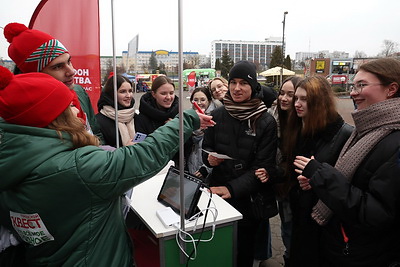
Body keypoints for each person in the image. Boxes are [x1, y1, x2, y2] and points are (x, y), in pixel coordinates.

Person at [0, 66, 214, 266]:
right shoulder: (77, 168)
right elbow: (144, 156)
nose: (77, 112)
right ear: (52, 117)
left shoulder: (12, 163)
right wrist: (186, 120)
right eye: (69, 107)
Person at [293, 58, 400, 267]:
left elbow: (376, 213)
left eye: (362, 85)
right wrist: (317, 181)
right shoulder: (368, 129)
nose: (352, 92)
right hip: (343, 246)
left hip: (364, 253)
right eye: (353, 85)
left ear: (391, 89)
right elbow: (352, 181)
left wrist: (321, 175)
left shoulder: (393, 141)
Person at [202, 61, 278, 267]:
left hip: (248, 200)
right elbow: (206, 147)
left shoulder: (265, 121)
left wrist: (231, 189)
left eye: (243, 83)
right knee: (218, 251)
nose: (237, 88)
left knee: (242, 253)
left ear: (253, 86)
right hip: (218, 196)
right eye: (233, 82)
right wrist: (208, 157)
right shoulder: (217, 115)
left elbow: (262, 166)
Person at [282, 75, 353, 267]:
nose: (297, 103)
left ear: (320, 101)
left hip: (326, 223)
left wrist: (317, 177)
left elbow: (348, 180)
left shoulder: (344, 133)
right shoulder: (299, 127)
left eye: (304, 99)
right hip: (300, 215)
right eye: (296, 98)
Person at [3, 22, 103, 142]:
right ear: (35, 75)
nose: (71, 71)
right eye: (57, 67)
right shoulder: (22, 115)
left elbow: (96, 132)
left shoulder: (79, 91)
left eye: (69, 61)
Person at [257, 76, 302, 266]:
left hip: (295, 188)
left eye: (290, 95)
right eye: (282, 93)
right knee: (286, 228)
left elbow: (293, 160)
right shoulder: (274, 117)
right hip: (280, 186)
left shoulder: (303, 123)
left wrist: (274, 172)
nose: (284, 98)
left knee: (292, 231)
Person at [96, 74, 136, 147]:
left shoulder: (135, 116)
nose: (128, 96)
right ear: (112, 94)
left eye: (130, 91)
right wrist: (125, 150)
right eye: (123, 91)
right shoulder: (98, 122)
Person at [186, 87, 216, 180]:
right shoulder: (188, 118)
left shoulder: (216, 117)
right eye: (195, 100)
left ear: (209, 101)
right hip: (191, 166)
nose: (199, 103)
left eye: (202, 99)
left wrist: (206, 168)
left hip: (210, 172)